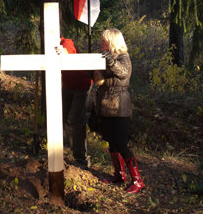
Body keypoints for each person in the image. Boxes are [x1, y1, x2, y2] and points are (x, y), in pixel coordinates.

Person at [93, 28, 145, 193]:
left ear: (112, 42)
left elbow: (123, 73)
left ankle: (137, 180)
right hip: (105, 106)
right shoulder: (104, 57)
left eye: (104, 41)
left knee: (122, 144)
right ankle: (119, 175)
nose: (101, 43)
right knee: (112, 144)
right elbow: (99, 80)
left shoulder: (123, 57)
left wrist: (111, 62)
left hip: (119, 107)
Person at [59, 37, 92, 168]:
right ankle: (71, 148)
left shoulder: (66, 42)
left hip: (81, 86)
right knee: (65, 119)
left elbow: (69, 52)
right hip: (68, 86)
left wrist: (64, 52)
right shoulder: (50, 45)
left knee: (76, 121)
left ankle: (82, 159)